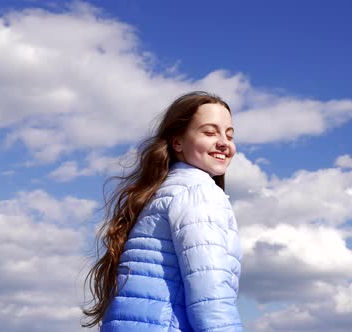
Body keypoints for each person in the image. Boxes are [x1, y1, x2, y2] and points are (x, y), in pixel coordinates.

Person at [83, 91, 243, 332]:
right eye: (210, 132)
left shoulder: (161, 192)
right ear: (177, 142)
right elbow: (210, 295)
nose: (224, 142)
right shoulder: (197, 191)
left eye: (229, 135)